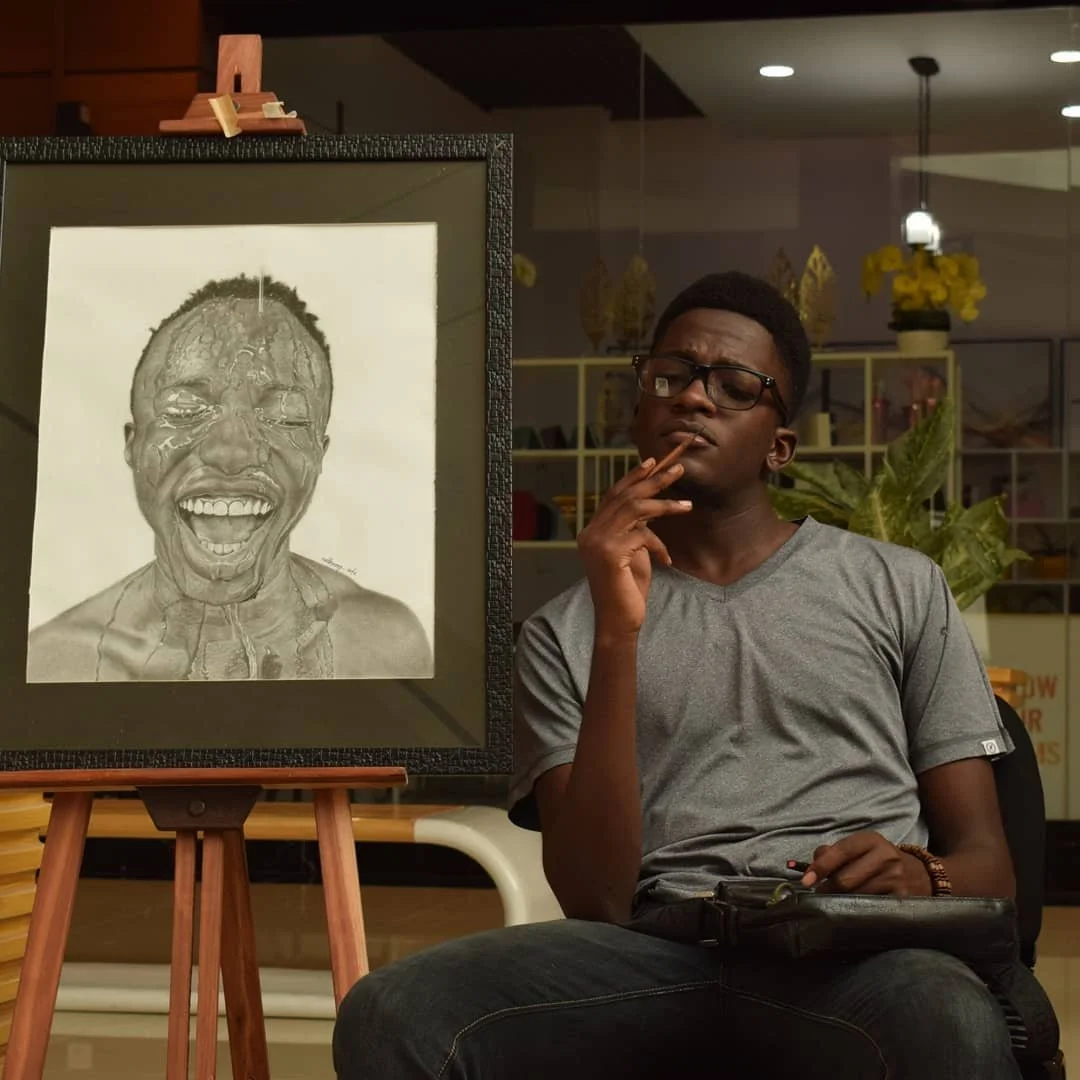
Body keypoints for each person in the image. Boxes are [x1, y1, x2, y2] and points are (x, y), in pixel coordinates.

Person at [331, 272, 1021, 1078]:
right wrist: (619, 632)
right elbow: (593, 899)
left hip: (850, 954)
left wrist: (917, 872)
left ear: (780, 444)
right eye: (672, 376)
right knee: (391, 1014)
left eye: (734, 386)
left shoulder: (896, 586)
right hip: (651, 953)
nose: (695, 398)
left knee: (949, 1019)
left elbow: (990, 867)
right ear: (638, 412)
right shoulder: (565, 634)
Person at [27, 274, 432, 682]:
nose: (232, 452)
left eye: (284, 416)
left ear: (318, 453)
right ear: (133, 445)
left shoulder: (382, 648)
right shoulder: (56, 665)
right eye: (185, 409)